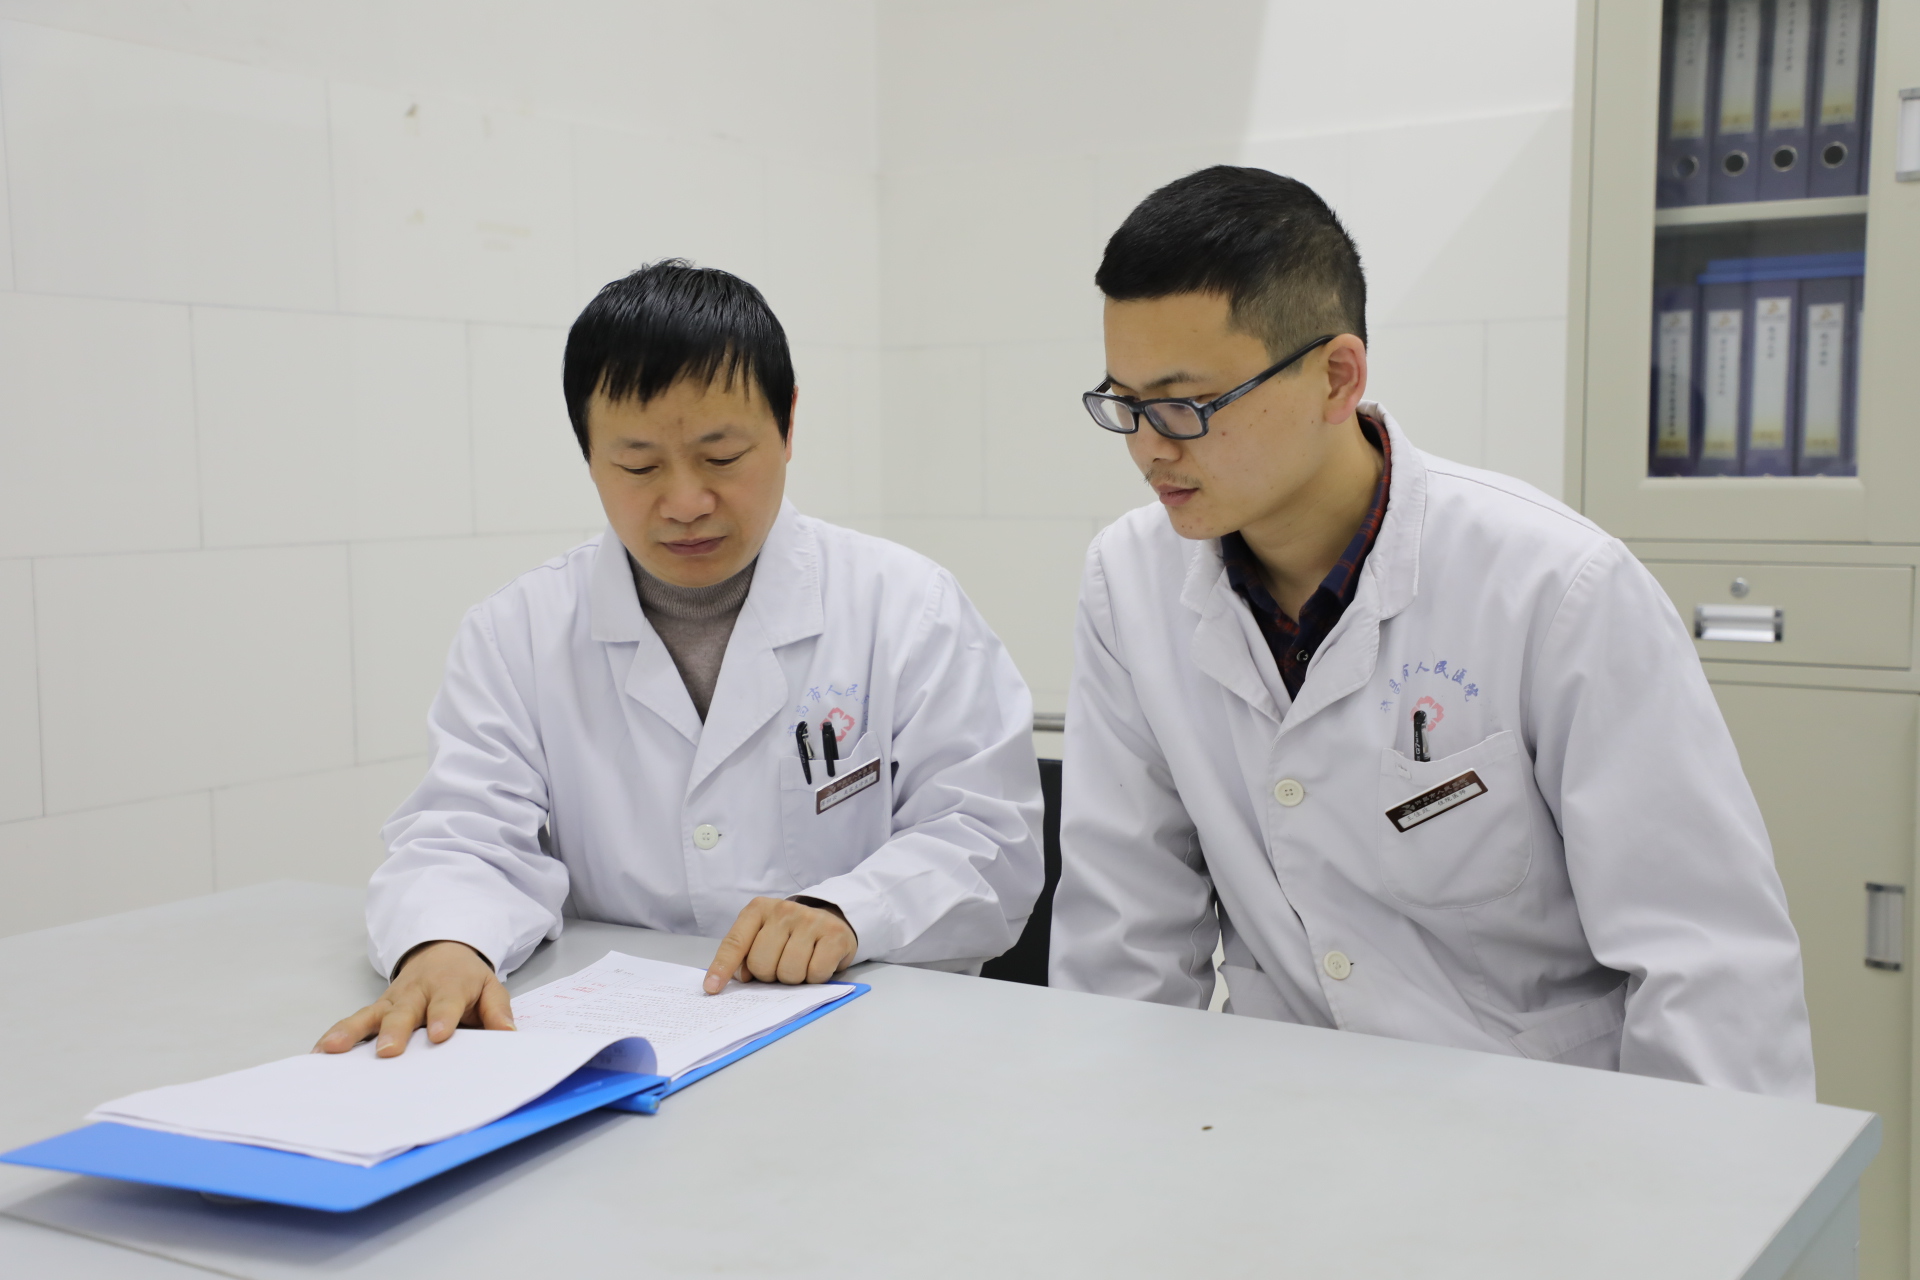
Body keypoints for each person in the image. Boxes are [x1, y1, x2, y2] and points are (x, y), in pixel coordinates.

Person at [1047, 167, 1814, 1097]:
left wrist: (1693, 1187)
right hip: (1281, 1120)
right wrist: (1118, 1144)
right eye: (1124, 403)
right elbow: (1125, 938)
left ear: (1337, 377)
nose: (1150, 446)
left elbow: (1707, 963)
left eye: (1185, 405)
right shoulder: (1129, 583)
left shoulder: (1555, 587)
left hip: (1544, 1131)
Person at [319, 261, 1043, 1058]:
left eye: (722, 457)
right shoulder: (519, 631)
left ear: (788, 425)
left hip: (869, 1044)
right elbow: (465, 834)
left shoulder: (907, 607)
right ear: (588, 453)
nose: (686, 502)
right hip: (617, 1054)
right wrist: (447, 942)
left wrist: (848, 912)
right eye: (638, 466)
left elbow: (989, 840)